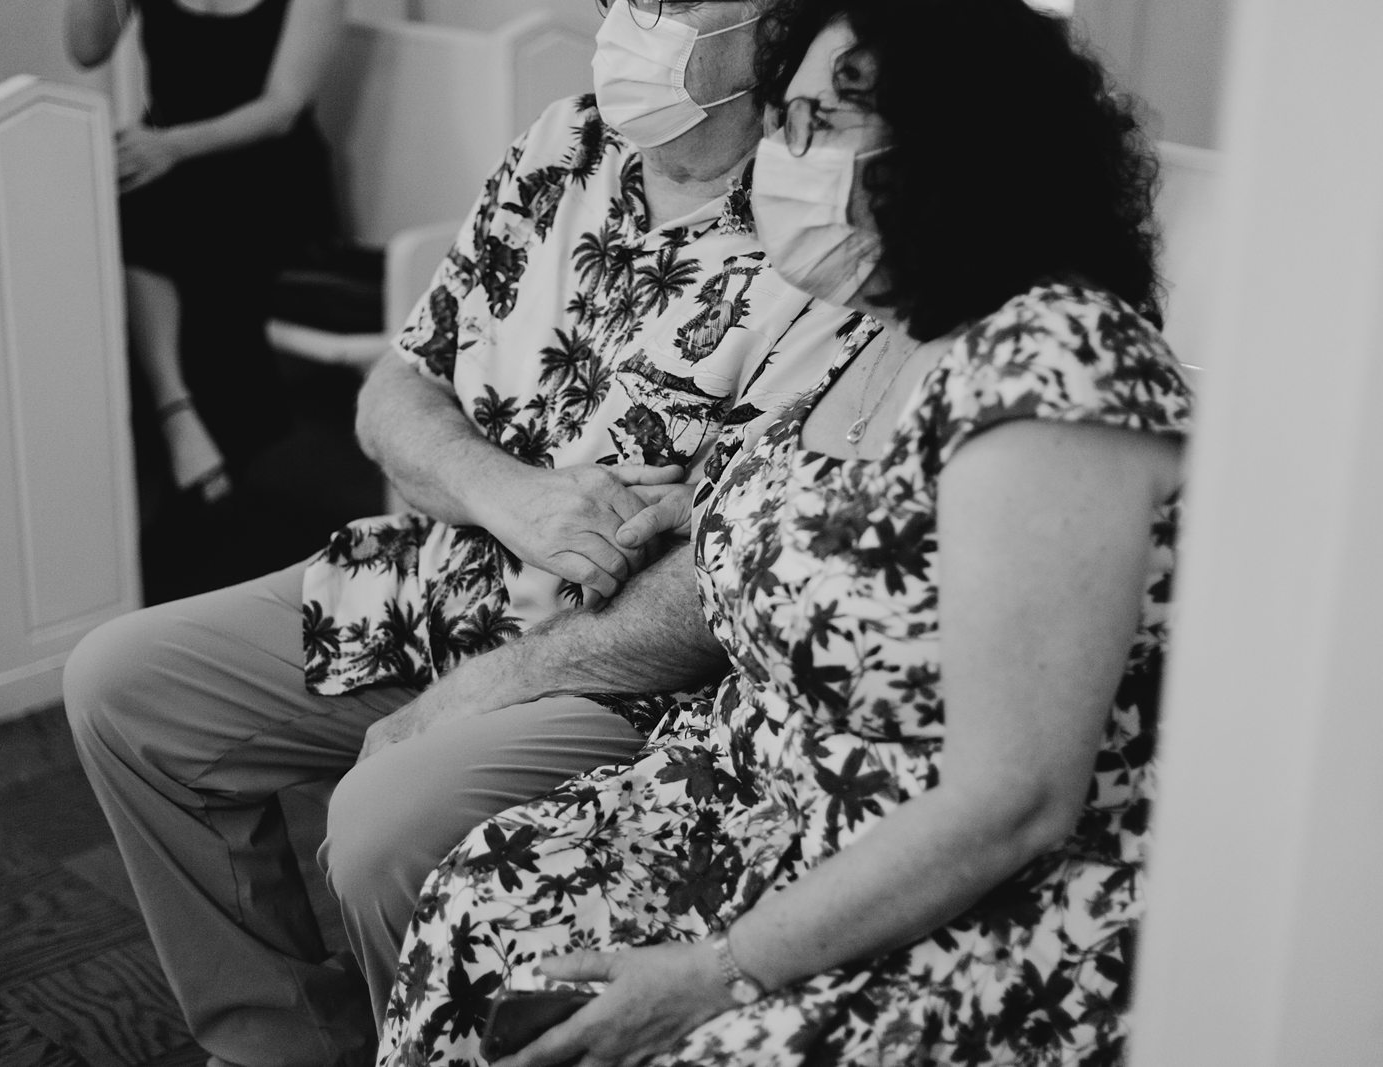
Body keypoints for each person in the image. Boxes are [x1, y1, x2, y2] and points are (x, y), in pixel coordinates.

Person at [376, 0, 1192, 1063]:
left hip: (968, 893)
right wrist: (721, 510)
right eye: (783, 120)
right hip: (764, 811)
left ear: (959, 147)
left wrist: (716, 967)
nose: (781, 156)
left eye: (819, 123)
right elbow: (840, 529)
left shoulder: (1051, 363)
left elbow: (1014, 798)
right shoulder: (886, 329)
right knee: (480, 903)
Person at [64, 1, 868, 1063]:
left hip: (627, 670)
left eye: (676, 2)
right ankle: (286, 1042)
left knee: (385, 821)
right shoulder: (564, 141)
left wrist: (479, 686)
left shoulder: (828, 207)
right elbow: (394, 392)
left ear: (775, 24)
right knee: (121, 684)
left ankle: (430, 1040)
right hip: (440, 577)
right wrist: (508, 493)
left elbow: (729, 578)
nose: (635, 21)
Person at [63, 0, 343, 505]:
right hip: (170, 170)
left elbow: (282, 109)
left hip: (270, 172)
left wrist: (168, 148)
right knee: (98, 220)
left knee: (165, 220)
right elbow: (85, 50)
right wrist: (160, 151)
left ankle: (192, 445)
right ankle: (176, 416)